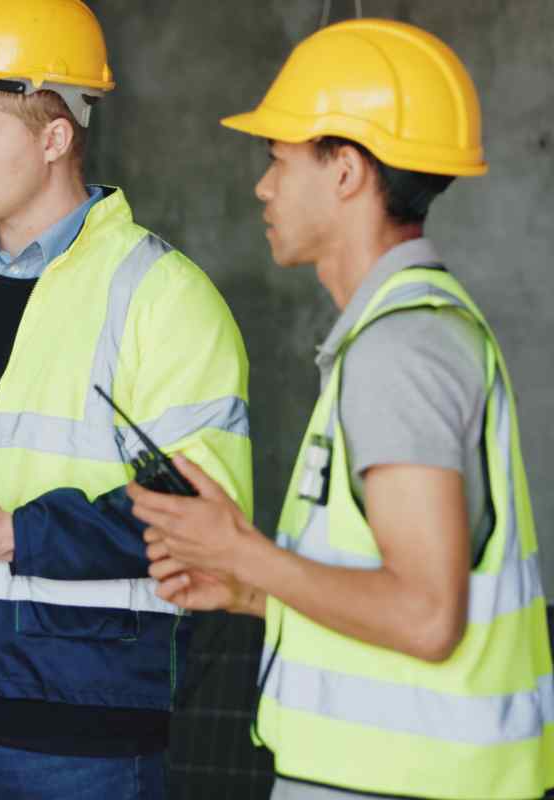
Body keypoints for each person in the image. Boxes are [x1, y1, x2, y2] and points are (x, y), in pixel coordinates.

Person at [131, 18, 554, 800]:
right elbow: (388, 599)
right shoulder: (397, 336)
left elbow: (428, 617)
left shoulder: (399, 352)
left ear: (347, 170)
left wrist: (243, 551)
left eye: (278, 159)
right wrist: (250, 590)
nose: (262, 186)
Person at [0, 1, 252, 796]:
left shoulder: (161, 298)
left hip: (80, 737)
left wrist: (12, 535)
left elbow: (207, 517)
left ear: (55, 137)